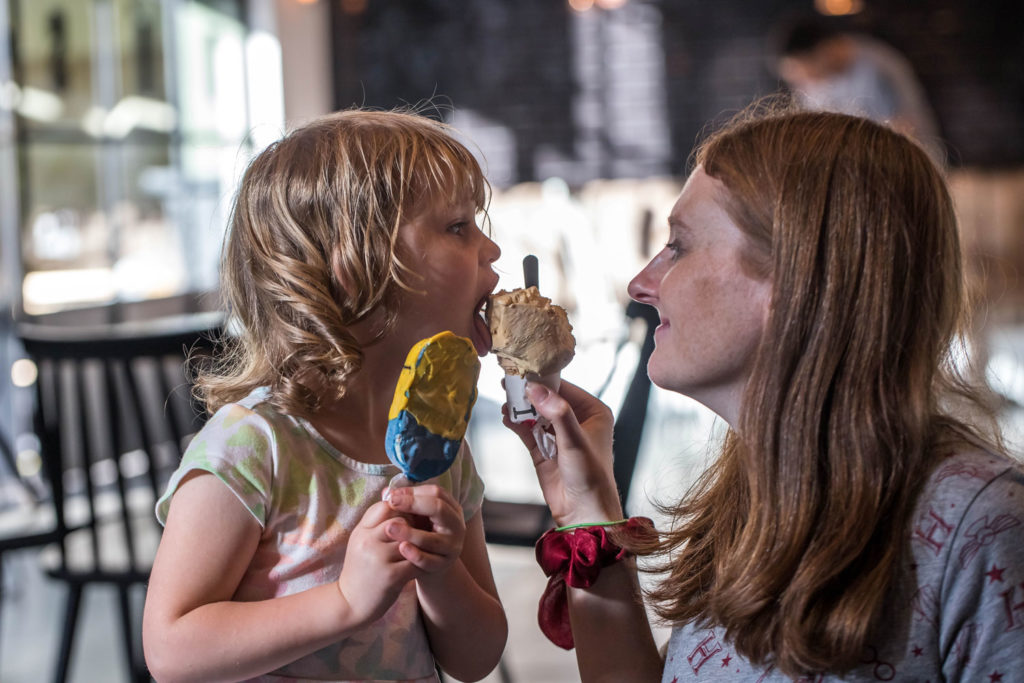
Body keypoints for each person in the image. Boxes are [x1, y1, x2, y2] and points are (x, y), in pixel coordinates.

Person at [505, 104, 1024, 681]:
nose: (641, 284)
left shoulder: (984, 526)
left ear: (796, 281)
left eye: (678, 245)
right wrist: (588, 506)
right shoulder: (751, 495)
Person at [142, 109, 508, 682]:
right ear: (354, 270)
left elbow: (476, 658)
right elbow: (172, 650)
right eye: (458, 227)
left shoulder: (443, 447)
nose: (491, 250)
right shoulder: (254, 445)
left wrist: (441, 575)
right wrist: (345, 600)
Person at [774, 17, 943, 165]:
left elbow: (904, 129)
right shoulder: (814, 86)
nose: (804, 83)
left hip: (910, 167)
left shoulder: (875, 68)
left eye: (806, 72)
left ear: (824, 52)